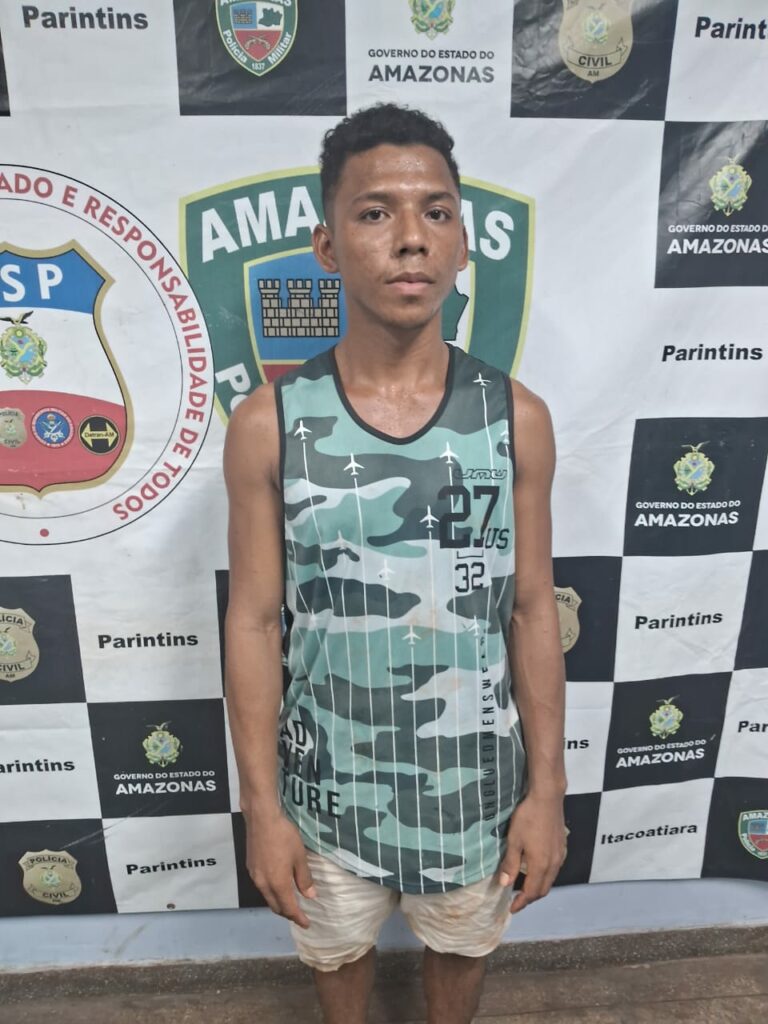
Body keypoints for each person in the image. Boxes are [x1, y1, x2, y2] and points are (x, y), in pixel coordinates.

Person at [224, 102, 567, 1024]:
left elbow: (533, 609)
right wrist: (264, 809)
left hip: (476, 794)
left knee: (461, 953)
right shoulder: (270, 424)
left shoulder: (516, 418)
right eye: (375, 213)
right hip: (322, 794)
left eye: (436, 212)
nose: (410, 237)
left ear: (462, 244)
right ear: (327, 246)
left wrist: (547, 792)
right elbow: (252, 621)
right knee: (337, 958)